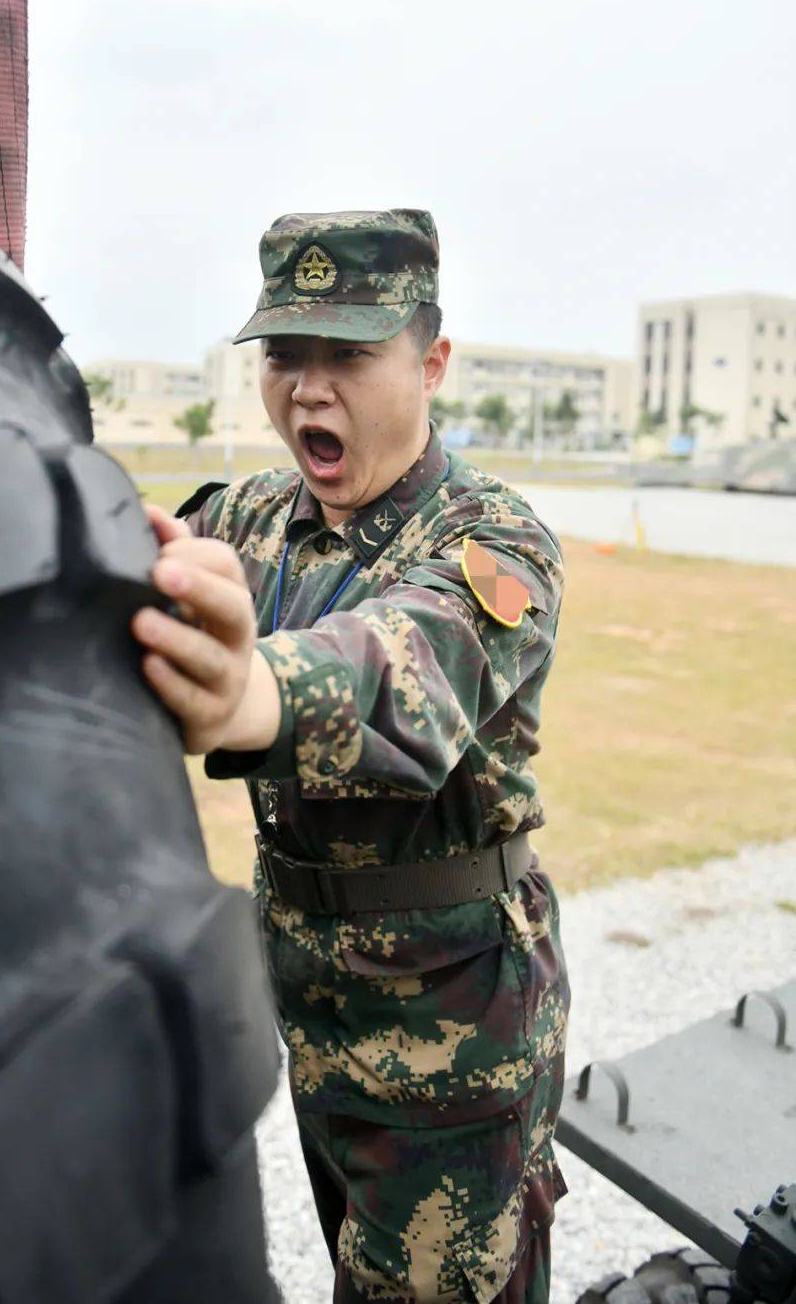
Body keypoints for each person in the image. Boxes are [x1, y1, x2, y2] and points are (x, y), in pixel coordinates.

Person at [131, 209, 570, 1304]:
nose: (309, 391)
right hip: (314, 999)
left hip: (454, 1033)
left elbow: (401, 672)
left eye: (350, 355)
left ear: (431, 363)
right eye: (286, 354)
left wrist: (246, 688)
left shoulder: (489, 544)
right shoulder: (255, 514)